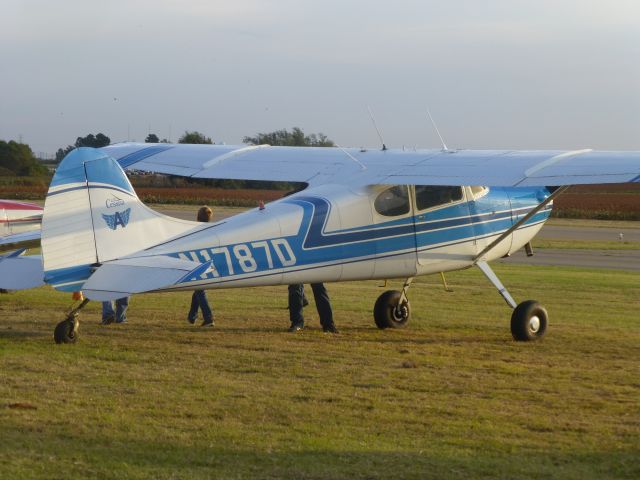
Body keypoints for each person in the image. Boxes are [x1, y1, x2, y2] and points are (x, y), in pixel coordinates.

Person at [188, 206, 214, 327]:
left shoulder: (196, 230)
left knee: (200, 290)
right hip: (209, 262)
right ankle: (192, 316)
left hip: (198, 263)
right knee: (198, 289)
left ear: (198, 217)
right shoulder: (213, 229)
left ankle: (208, 318)